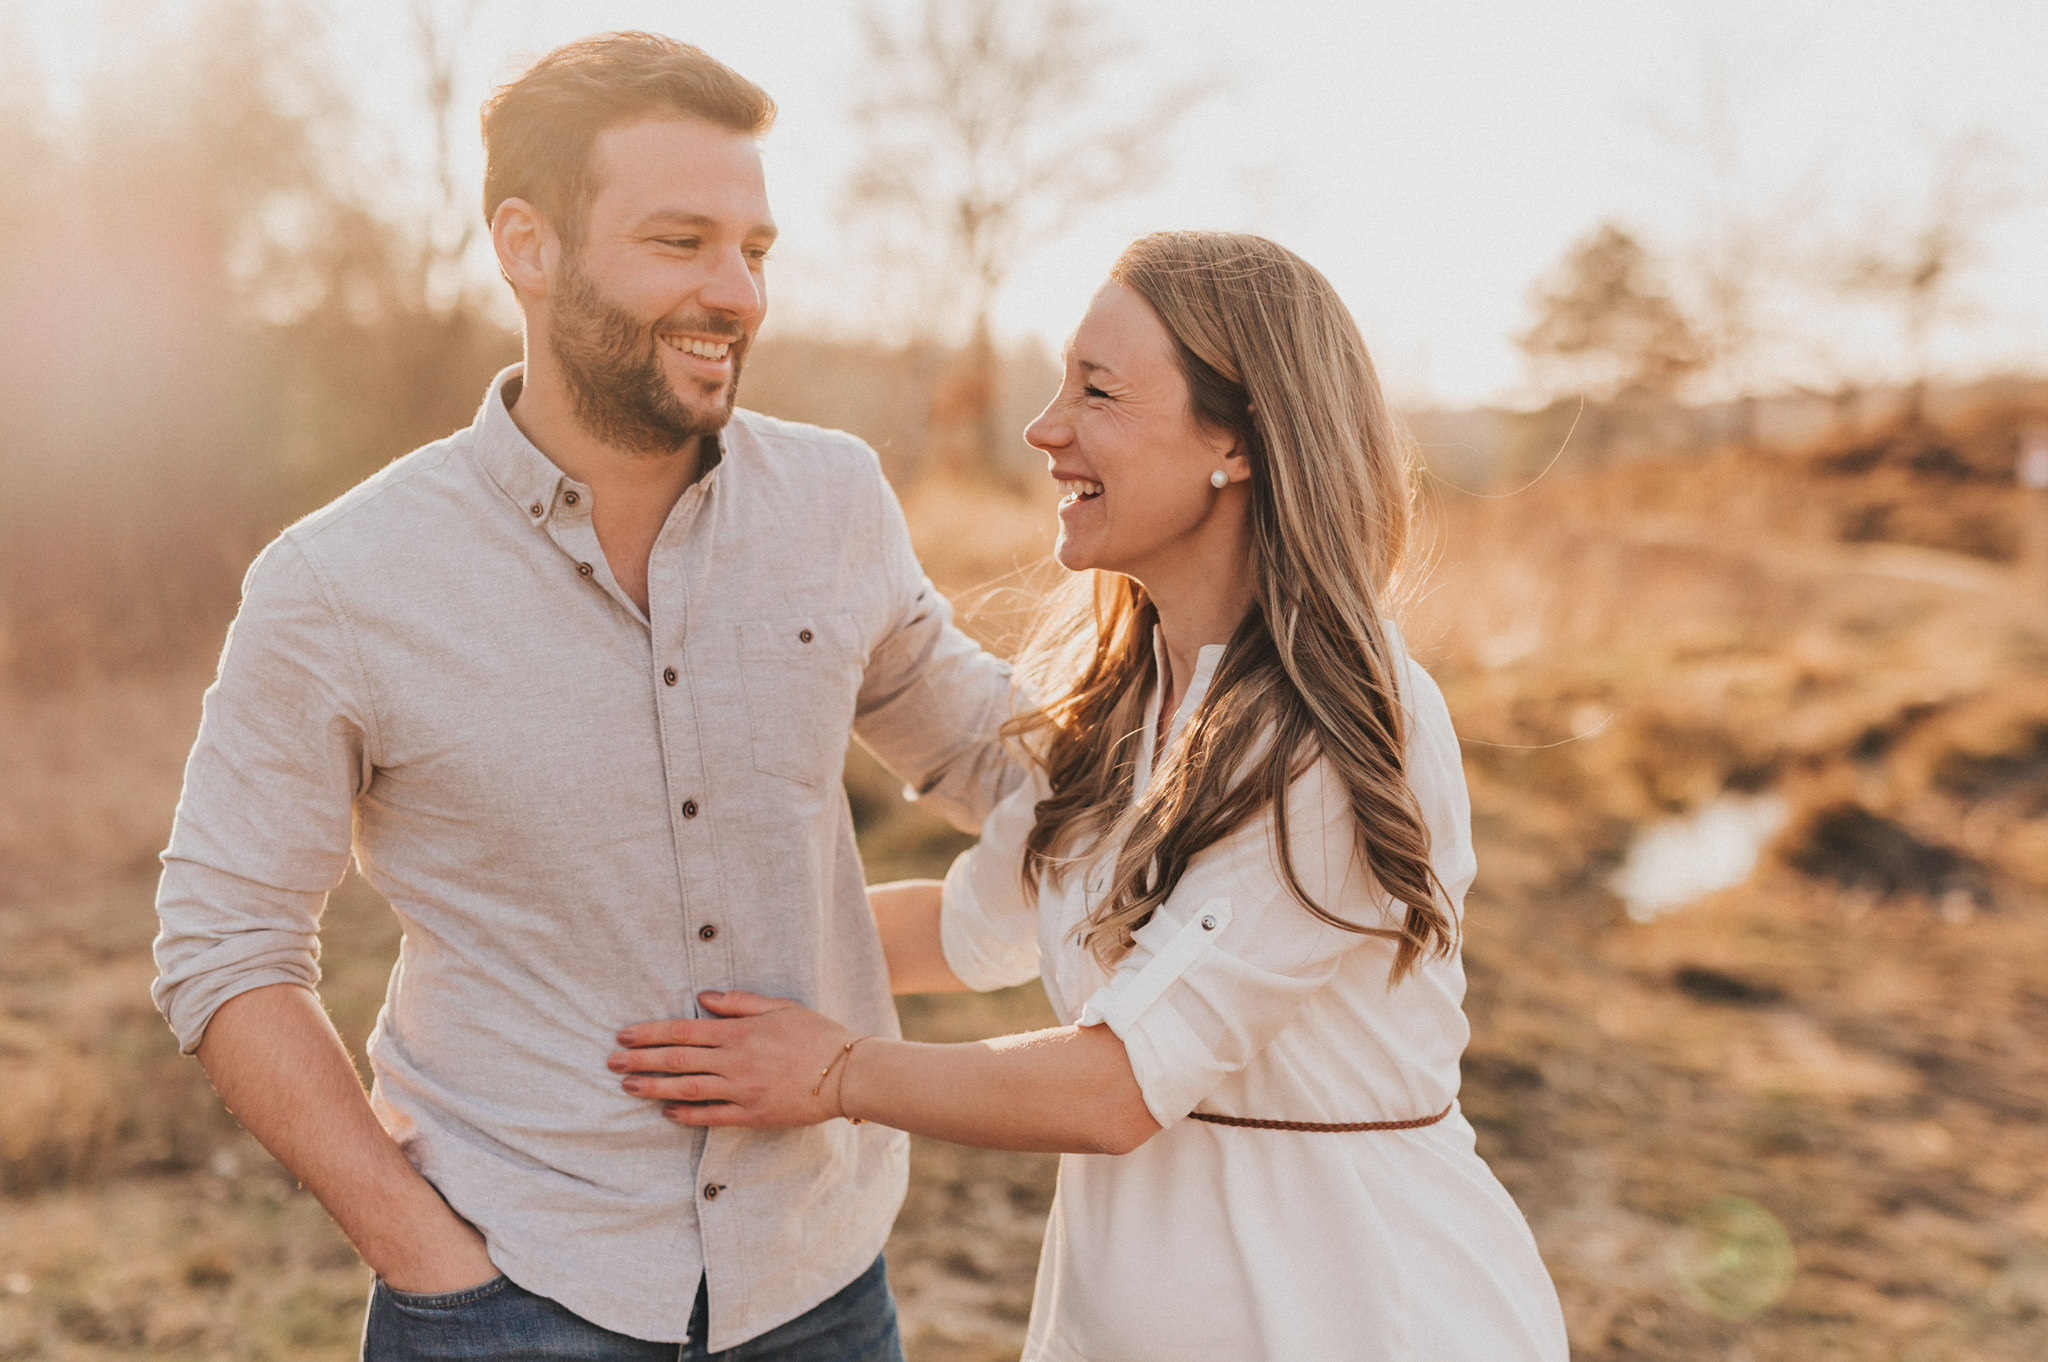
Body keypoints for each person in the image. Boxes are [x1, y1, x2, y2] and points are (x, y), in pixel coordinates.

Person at [150, 32, 1020, 1362]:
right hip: (511, 1296)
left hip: (821, 1287)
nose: (735, 293)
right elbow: (223, 940)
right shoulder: (341, 580)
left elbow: (996, 753)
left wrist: (1258, 710)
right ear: (528, 244)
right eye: (681, 242)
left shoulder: (835, 502)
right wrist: (424, 1252)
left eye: (756, 250)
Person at [612, 232, 1572, 1361]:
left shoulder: (1335, 724)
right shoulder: (1124, 701)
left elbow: (1116, 1087)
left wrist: (833, 1073)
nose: (1043, 426)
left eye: (1098, 391)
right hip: (1125, 1318)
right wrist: (664, 940)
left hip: (1352, 1312)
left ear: (1239, 440)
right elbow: (969, 927)